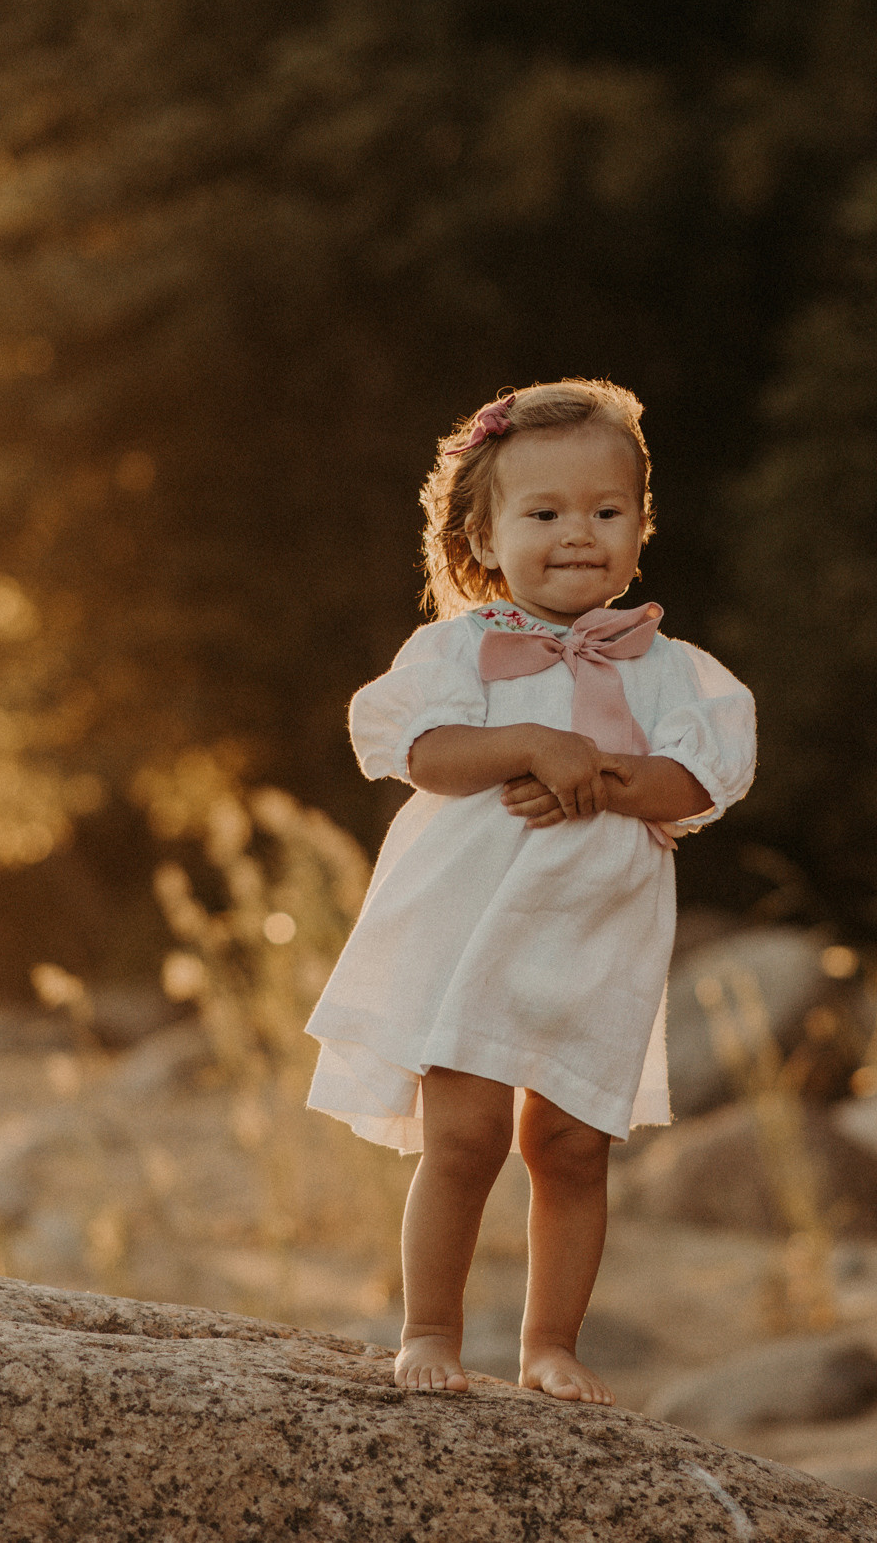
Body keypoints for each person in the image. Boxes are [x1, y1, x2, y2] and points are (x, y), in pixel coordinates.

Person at [304, 378, 756, 1403]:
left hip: (593, 939)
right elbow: (418, 751)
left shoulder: (676, 671)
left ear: (643, 528)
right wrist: (532, 745)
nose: (578, 535)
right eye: (544, 514)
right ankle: (429, 1329)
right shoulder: (459, 650)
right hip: (473, 930)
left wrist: (598, 778)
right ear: (483, 535)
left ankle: (552, 1344)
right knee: (463, 1137)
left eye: (607, 512)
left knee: (570, 1145)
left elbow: (698, 782)